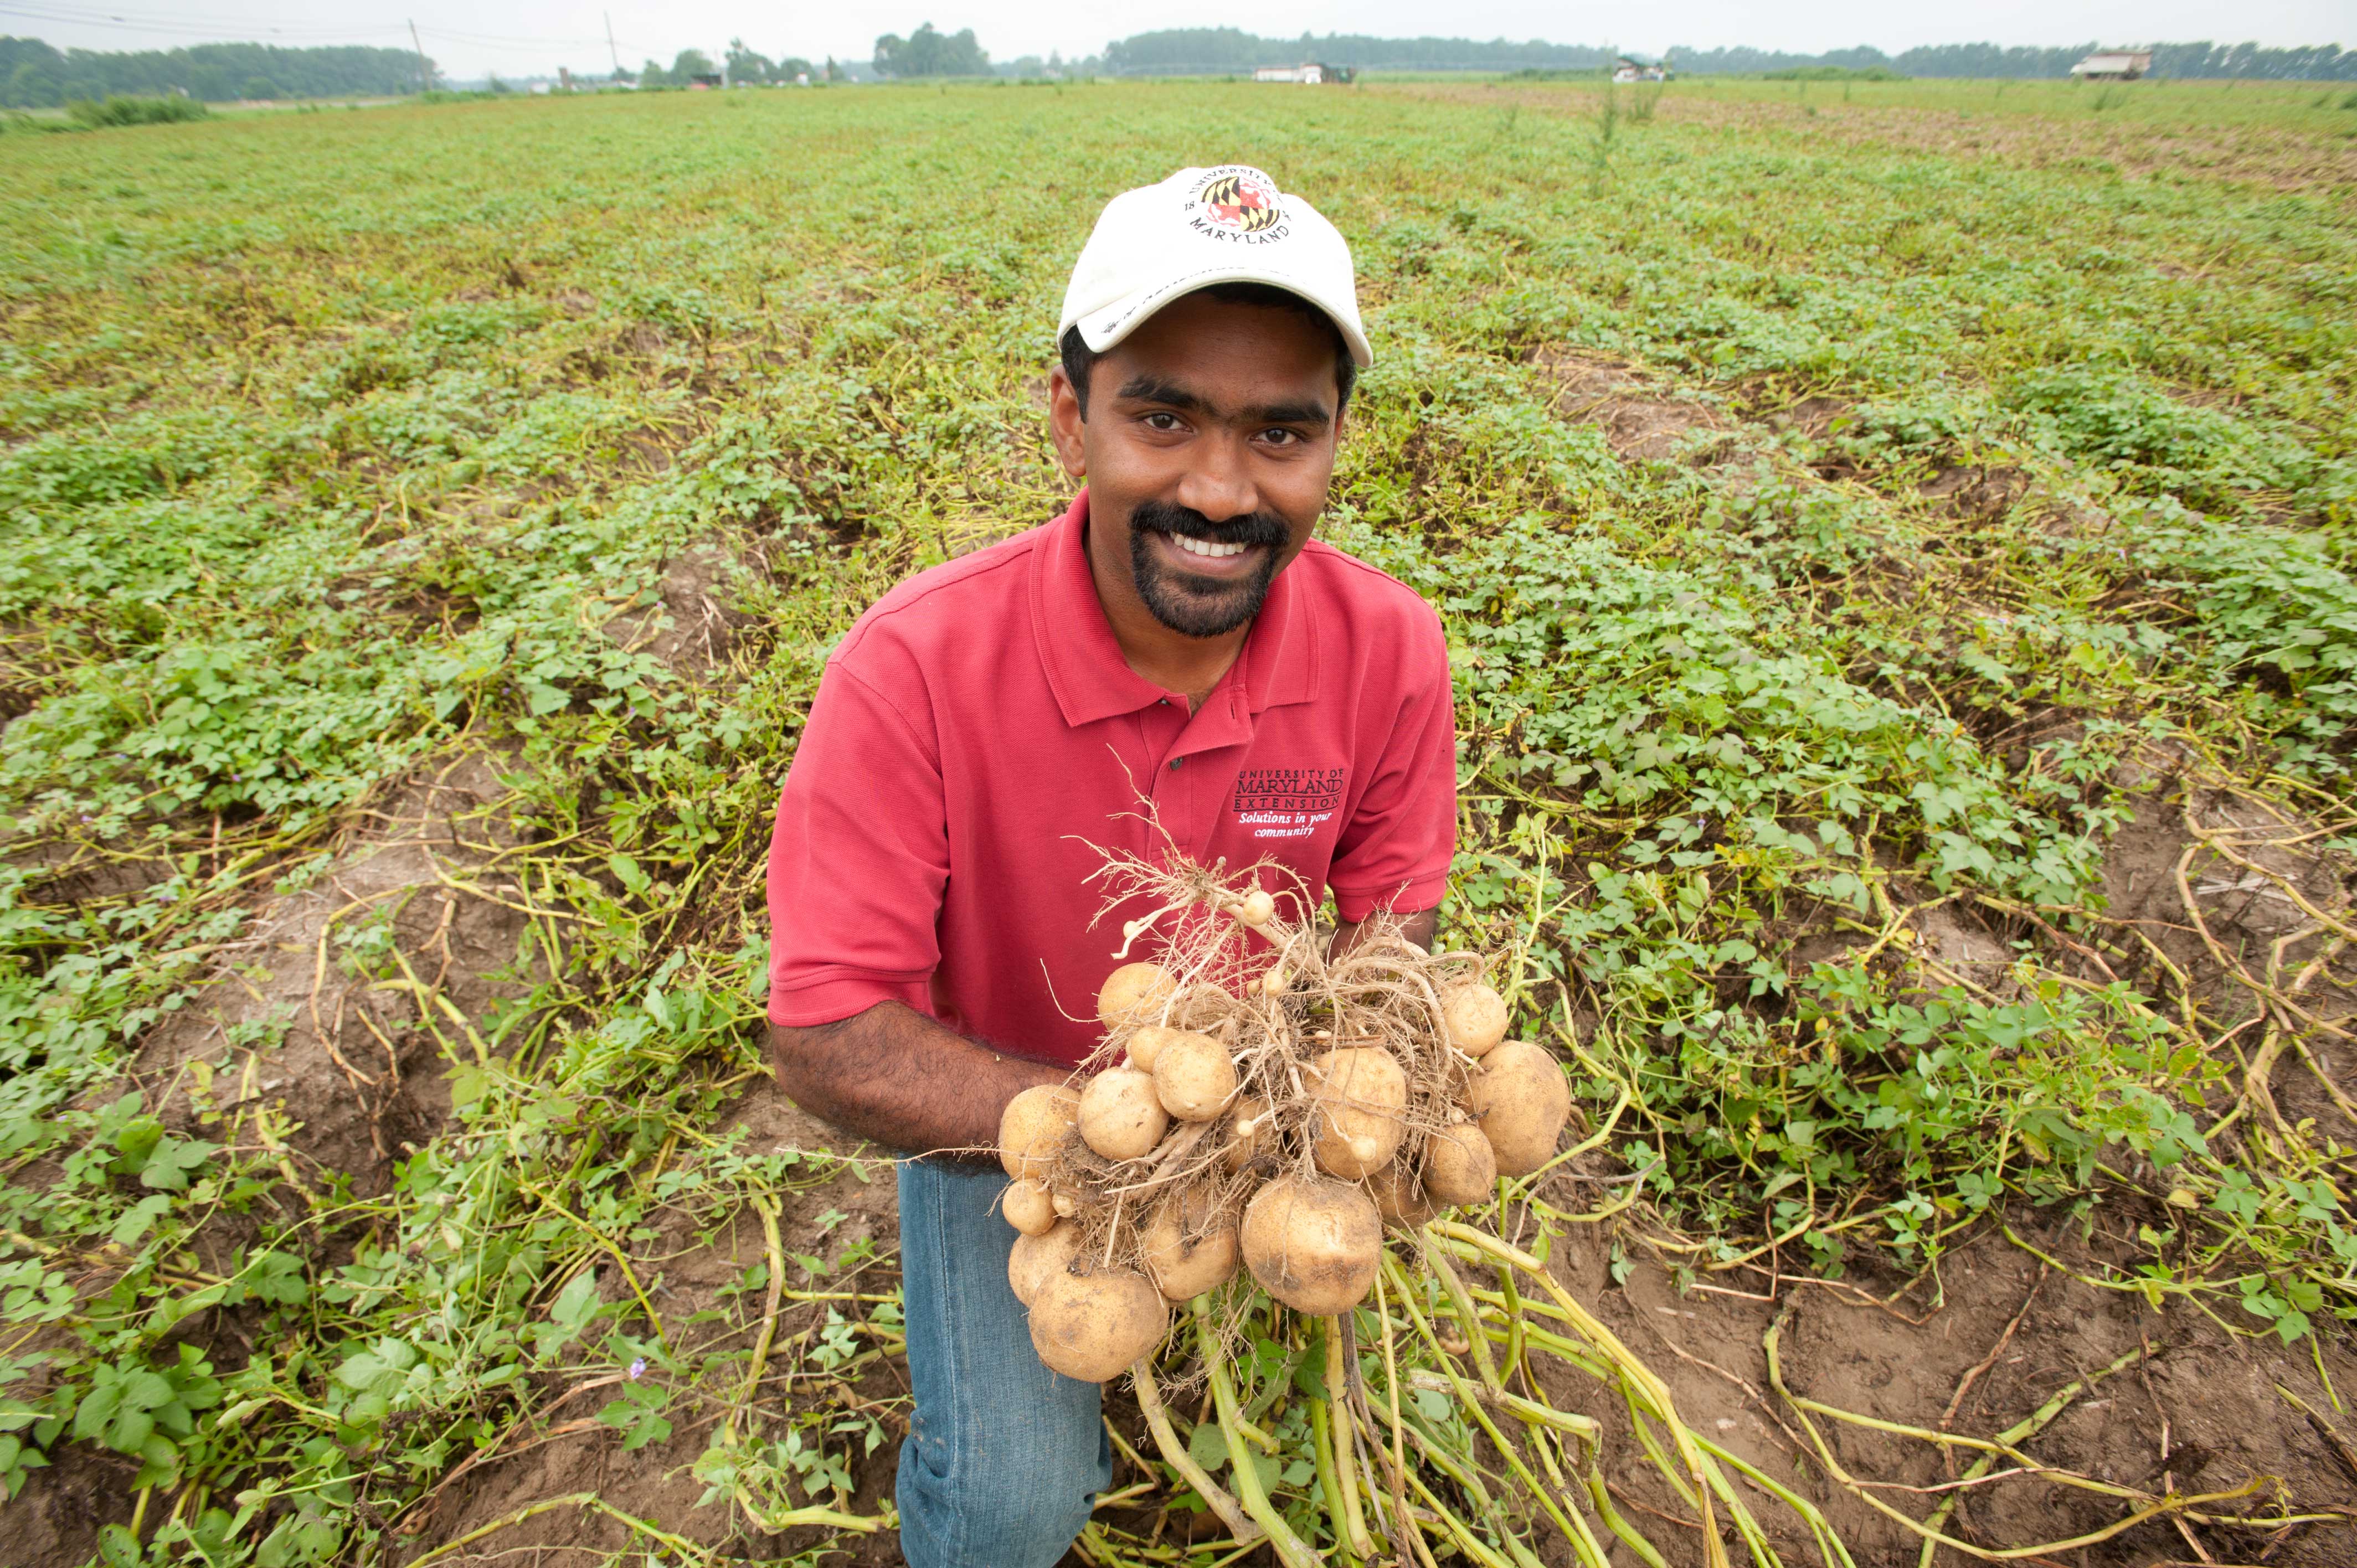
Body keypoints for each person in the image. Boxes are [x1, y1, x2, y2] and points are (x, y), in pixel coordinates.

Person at [764, 162, 1458, 1568]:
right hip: (1004, 1123)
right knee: (1018, 1507)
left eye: (1280, 432)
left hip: (1267, 1110)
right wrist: (1106, 1139)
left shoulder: (1391, 649)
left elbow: (1393, 939)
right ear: (1070, 420)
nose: (1220, 487)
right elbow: (827, 1031)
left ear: (1335, 444)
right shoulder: (912, 668)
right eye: (1161, 416)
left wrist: (1331, 1102)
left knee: (1346, 1362)